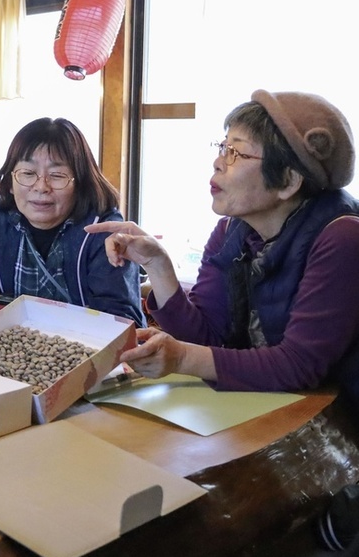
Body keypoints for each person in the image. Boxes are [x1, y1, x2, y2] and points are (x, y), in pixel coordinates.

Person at [86, 89, 359, 399]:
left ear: (288, 181)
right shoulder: (230, 231)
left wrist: (183, 358)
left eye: (236, 153)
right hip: (277, 411)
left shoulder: (343, 237)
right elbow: (208, 338)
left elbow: (299, 365)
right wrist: (157, 265)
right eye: (222, 147)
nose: (217, 163)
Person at [0, 117, 145, 325]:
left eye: (56, 175)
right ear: (10, 183)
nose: (41, 187)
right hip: (6, 342)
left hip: (85, 347)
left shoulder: (104, 229)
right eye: (28, 173)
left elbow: (124, 322)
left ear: (81, 184)